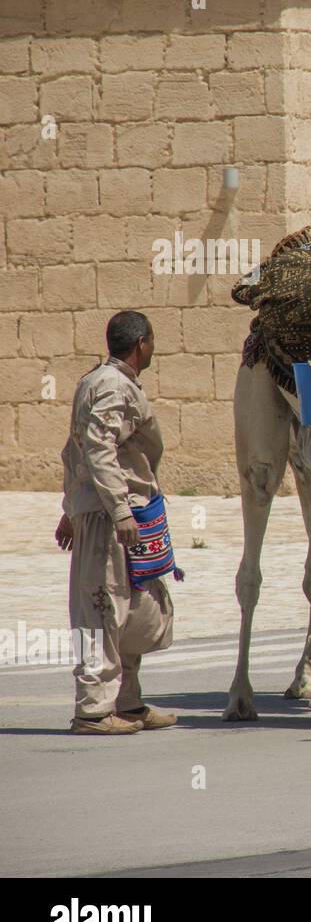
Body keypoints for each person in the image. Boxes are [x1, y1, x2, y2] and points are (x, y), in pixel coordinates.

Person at [56, 311, 177, 734]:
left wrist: (71, 509)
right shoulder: (110, 385)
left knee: (134, 607)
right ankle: (92, 710)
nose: (154, 348)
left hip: (122, 512)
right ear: (142, 342)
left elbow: (74, 452)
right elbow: (96, 449)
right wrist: (119, 509)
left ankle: (127, 701)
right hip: (113, 517)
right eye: (153, 341)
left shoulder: (104, 381)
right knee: (102, 608)